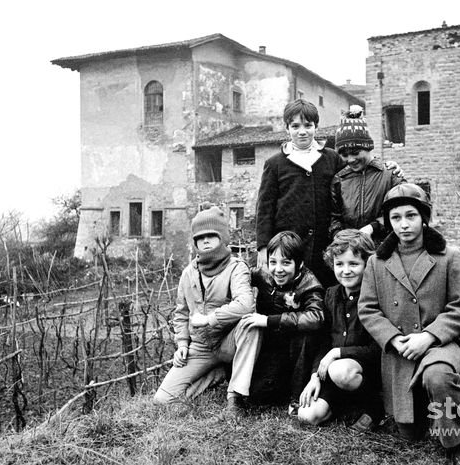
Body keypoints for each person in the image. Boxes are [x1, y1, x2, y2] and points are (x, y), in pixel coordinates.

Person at [358, 184, 460, 465]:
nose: (403, 224)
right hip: (401, 351)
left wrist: (429, 336)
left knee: (438, 376)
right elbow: (368, 309)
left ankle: (458, 441)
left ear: (424, 217)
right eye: (396, 218)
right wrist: (393, 339)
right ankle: (422, 412)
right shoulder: (377, 262)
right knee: (410, 433)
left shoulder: (449, 256)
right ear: (388, 221)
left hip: (441, 344)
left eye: (411, 216)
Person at [255, 99, 404, 287]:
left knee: (323, 293)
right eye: (295, 126)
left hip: (322, 245)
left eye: (308, 125)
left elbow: (357, 169)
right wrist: (263, 248)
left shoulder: (331, 158)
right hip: (288, 246)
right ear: (287, 129)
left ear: (316, 127)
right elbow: (265, 208)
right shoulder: (275, 164)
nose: (302, 131)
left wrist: (388, 166)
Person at [154, 206, 262, 416]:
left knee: (251, 325)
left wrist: (210, 319)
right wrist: (182, 344)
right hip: (201, 347)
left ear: (222, 237)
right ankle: (217, 374)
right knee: (162, 400)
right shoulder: (188, 273)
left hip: (229, 341)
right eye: (200, 237)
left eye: (211, 236)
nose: (205, 241)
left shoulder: (236, 267)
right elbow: (181, 313)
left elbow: (245, 303)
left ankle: (235, 397)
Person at [297, 229, 383, 431]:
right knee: (306, 416)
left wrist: (338, 353)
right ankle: (343, 404)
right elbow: (323, 340)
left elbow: (376, 349)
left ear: (367, 264)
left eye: (354, 264)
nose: (346, 271)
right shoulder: (331, 295)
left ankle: (375, 408)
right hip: (333, 373)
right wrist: (315, 376)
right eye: (339, 264)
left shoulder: (375, 297)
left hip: (363, 372)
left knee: (341, 371)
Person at [241, 231, 325, 410]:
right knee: (257, 396)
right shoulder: (263, 275)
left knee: (306, 335)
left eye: (286, 263)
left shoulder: (310, 285)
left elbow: (316, 317)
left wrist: (269, 321)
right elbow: (239, 274)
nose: (278, 269)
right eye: (273, 262)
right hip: (271, 346)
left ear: (299, 263)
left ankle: (297, 395)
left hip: (296, 351)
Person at [330, 106, 405, 244]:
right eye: (345, 155)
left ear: (368, 147)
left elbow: (403, 211)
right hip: (351, 253)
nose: (351, 159)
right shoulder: (339, 180)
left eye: (356, 152)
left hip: (385, 252)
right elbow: (334, 218)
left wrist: (373, 228)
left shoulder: (390, 175)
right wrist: (341, 236)